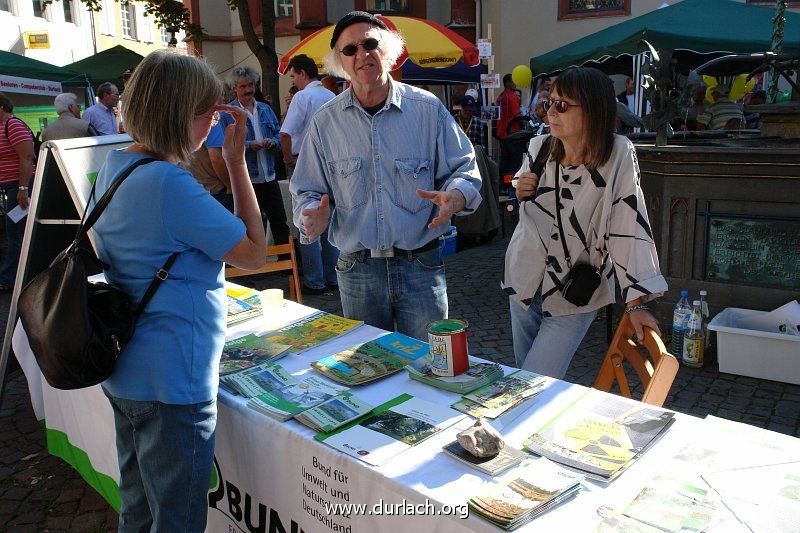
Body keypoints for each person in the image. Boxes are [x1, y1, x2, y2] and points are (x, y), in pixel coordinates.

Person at [89, 50, 266, 531]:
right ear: (178, 112)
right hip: (173, 379)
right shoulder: (167, 182)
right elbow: (254, 252)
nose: (215, 118)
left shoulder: (115, 164)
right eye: (208, 109)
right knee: (177, 520)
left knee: (140, 511)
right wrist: (235, 162)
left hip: (127, 366)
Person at [290, 11, 482, 340]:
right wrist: (310, 216)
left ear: (388, 50)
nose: (362, 54)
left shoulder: (427, 108)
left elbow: (464, 168)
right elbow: (306, 190)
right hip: (357, 269)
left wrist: (456, 196)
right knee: (368, 369)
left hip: (420, 266)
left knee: (431, 364)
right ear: (339, 60)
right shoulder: (325, 122)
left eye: (370, 44)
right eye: (350, 50)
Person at [503, 67, 667, 379]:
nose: (550, 111)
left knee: (533, 383)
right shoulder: (539, 146)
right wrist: (522, 186)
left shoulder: (617, 153)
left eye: (562, 105)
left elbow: (627, 221)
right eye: (549, 103)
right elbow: (526, 191)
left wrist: (635, 303)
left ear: (592, 111)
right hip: (523, 280)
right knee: (527, 380)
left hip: (575, 289)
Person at [280, 54, 339, 295]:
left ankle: (315, 279)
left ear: (303, 74)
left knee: (307, 218)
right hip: (332, 164)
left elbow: (286, 133)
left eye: (293, 76)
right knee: (329, 217)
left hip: (304, 162)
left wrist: (287, 159)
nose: (293, 81)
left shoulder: (303, 96)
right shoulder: (330, 95)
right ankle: (332, 276)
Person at [212, 66, 290, 244]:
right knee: (251, 225)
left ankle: (287, 266)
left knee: (279, 221)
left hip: (268, 177)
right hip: (247, 180)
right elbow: (226, 146)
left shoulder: (265, 108)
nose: (248, 90)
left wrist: (274, 142)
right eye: (243, 86)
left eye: (251, 85)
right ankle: (256, 267)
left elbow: (279, 134)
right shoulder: (227, 113)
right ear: (234, 88)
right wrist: (248, 145)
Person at [0, 93, 34, 293]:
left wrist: (23, 188)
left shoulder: (12, 125)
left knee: (15, 233)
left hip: (18, 186)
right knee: (16, 232)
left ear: (2, 107)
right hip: (11, 186)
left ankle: (9, 278)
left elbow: (27, 156)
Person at [495, 73, 523, 183]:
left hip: (502, 133)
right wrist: (523, 125)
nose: (515, 83)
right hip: (511, 133)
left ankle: (503, 184)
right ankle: (510, 184)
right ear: (507, 83)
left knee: (505, 161)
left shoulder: (501, 95)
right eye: (513, 81)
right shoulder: (511, 96)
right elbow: (517, 115)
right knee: (513, 162)